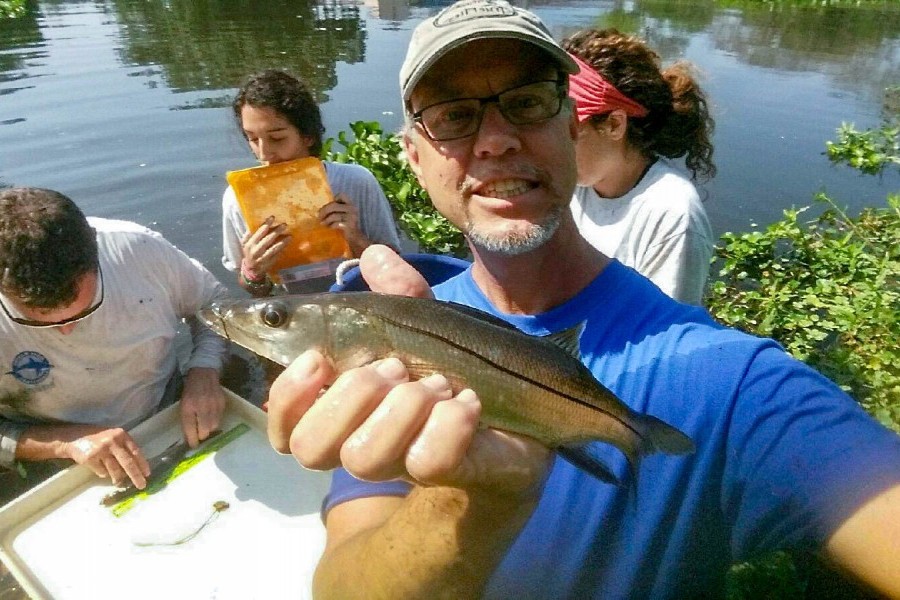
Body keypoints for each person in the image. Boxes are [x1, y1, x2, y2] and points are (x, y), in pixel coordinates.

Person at [264, 1, 900, 598]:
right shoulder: (386, 344)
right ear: (412, 157)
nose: (494, 140)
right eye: (454, 116)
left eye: (528, 103)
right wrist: (480, 500)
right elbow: (341, 583)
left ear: (573, 129)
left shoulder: (729, 380)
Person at [0, 187, 228, 495]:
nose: (67, 331)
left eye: (84, 311)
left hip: (170, 413)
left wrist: (204, 371)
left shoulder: (139, 250)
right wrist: (62, 441)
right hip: (53, 457)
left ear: (96, 251)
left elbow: (214, 307)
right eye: (35, 321)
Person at [564, 28, 716, 305]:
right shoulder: (571, 185)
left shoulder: (672, 213)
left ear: (614, 124)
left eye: (569, 128)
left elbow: (665, 333)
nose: (553, 142)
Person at [222, 69, 402, 296]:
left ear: (308, 136)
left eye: (277, 138)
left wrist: (354, 237)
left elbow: (397, 272)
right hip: (296, 315)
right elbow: (255, 289)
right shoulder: (237, 199)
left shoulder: (356, 182)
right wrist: (253, 270)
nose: (264, 153)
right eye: (253, 138)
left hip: (361, 304)